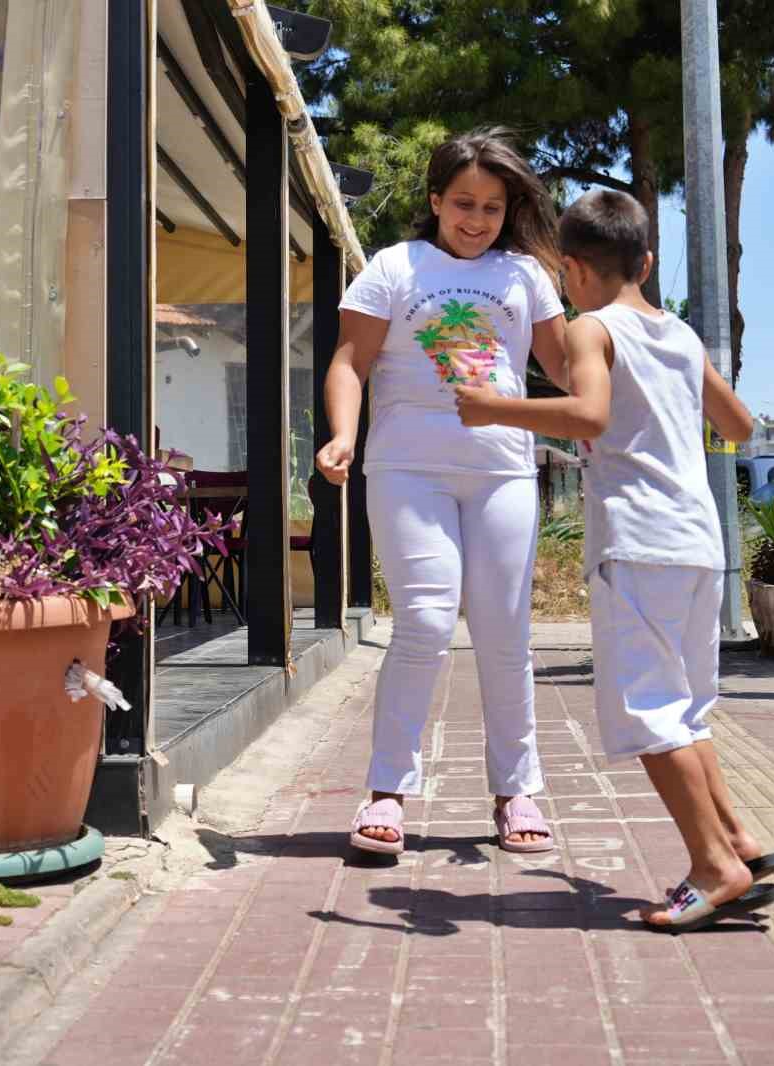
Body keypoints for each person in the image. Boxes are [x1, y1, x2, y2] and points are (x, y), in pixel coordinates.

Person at [453, 189, 774, 931]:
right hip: (699, 541)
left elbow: (590, 415)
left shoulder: (588, 330)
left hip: (639, 539)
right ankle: (739, 841)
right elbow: (736, 422)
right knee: (685, 710)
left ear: (571, 270)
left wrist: (492, 407)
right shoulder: (680, 334)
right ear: (648, 260)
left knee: (646, 711)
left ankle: (714, 867)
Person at [315, 129, 570, 857]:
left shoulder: (524, 275)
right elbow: (349, 361)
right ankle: (387, 791)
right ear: (435, 200)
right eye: (463, 203)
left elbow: (563, 363)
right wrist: (342, 434)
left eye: (493, 206)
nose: (477, 219)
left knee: (503, 631)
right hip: (407, 468)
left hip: (504, 470)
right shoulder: (395, 267)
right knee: (425, 622)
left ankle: (516, 789)